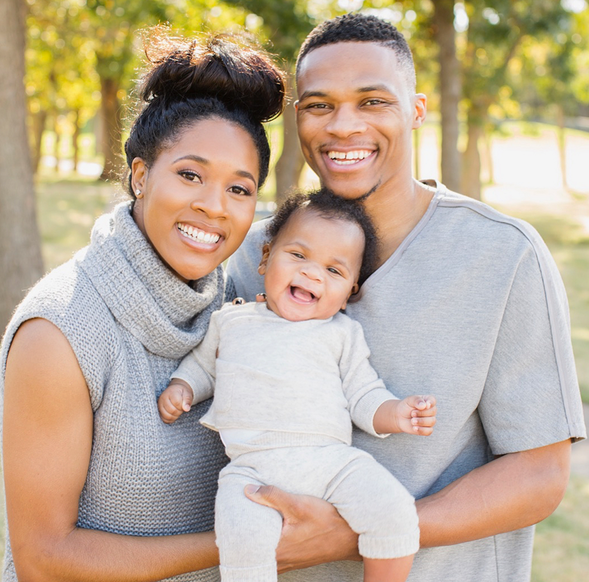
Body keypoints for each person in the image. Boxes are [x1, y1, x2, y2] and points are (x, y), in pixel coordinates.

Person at [226, 12, 587, 582]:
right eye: (319, 105)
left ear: (416, 110)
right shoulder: (252, 257)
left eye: (372, 101)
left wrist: (362, 532)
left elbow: (539, 476)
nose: (343, 125)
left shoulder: (504, 254)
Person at [0, 31, 288, 582]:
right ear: (139, 175)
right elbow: (43, 560)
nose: (213, 207)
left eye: (239, 189)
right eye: (190, 175)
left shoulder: (239, 301)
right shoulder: (60, 330)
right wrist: (239, 544)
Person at [158, 189, 438, 582]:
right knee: (241, 539)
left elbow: (364, 394)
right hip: (251, 470)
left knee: (394, 510)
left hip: (331, 463)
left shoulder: (341, 333)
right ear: (266, 257)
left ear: (349, 293)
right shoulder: (232, 322)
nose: (311, 273)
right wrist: (182, 387)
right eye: (299, 255)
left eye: (334, 271)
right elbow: (203, 368)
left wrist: (398, 413)